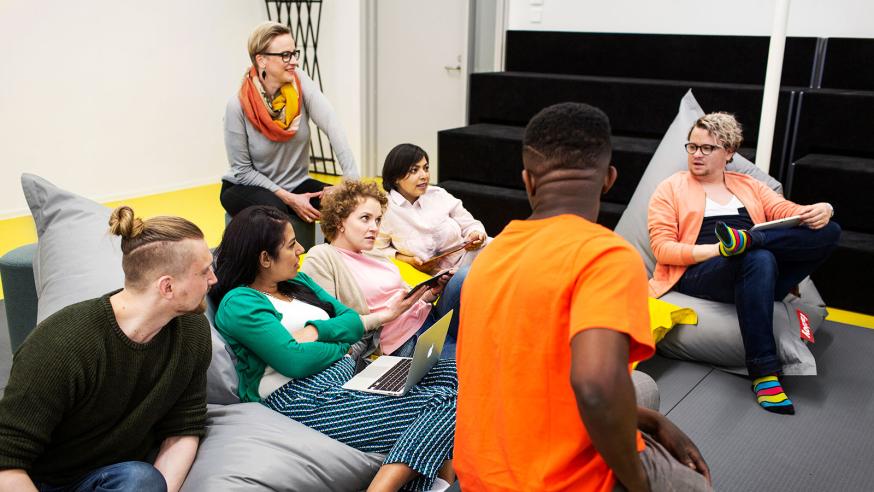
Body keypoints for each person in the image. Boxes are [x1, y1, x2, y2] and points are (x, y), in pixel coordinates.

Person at [456, 103, 712, 491]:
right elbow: (594, 386)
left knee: (644, 389)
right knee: (694, 487)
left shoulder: (490, 256)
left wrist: (648, 420)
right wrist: (638, 482)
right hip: (554, 483)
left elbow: (530, 380)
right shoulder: (606, 255)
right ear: (609, 179)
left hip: (481, 474)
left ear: (528, 181)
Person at [211, 205, 457, 492]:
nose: (301, 249)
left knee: (458, 372)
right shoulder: (240, 302)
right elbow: (292, 361)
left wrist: (316, 332)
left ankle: (431, 486)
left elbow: (350, 318)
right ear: (265, 258)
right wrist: (340, 349)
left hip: (352, 374)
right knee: (444, 402)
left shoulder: (296, 281)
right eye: (291, 245)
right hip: (299, 396)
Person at [0, 206, 215, 491]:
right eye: (204, 271)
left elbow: (183, 428)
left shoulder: (192, 330)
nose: (213, 279)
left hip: (115, 477)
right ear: (167, 287)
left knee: (143, 480)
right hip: (40, 480)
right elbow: (7, 462)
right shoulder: (62, 344)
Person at [648, 112, 840, 415]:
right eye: (692, 147)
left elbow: (788, 212)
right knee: (758, 257)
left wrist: (823, 209)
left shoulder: (749, 185)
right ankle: (764, 372)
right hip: (703, 271)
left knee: (830, 231)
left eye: (707, 148)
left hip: (756, 266)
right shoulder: (671, 188)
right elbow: (663, 248)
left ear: (729, 153)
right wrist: (717, 251)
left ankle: (749, 240)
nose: (697, 155)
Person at [220, 21, 360, 249]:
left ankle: (332, 265)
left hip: (297, 182)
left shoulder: (300, 83)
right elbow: (243, 171)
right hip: (245, 187)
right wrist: (291, 199)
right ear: (261, 59)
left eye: (294, 53)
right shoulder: (237, 106)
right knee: (276, 214)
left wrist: (350, 179)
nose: (294, 61)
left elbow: (331, 124)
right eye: (285, 55)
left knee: (348, 205)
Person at [301, 180, 462, 359]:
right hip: (406, 338)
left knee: (464, 277)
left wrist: (430, 292)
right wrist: (386, 315)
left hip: (429, 314)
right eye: (365, 218)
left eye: (377, 220)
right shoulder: (322, 257)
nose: (375, 228)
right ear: (340, 222)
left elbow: (403, 296)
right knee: (476, 363)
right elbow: (332, 325)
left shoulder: (373, 253)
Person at [374, 143, 487, 275]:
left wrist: (476, 235)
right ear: (395, 178)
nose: (424, 176)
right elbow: (376, 250)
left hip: (469, 257)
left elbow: (470, 224)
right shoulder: (385, 210)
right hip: (440, 276)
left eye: (426, 168)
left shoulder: (438, 194)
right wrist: (407, 260)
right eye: (414, 170)